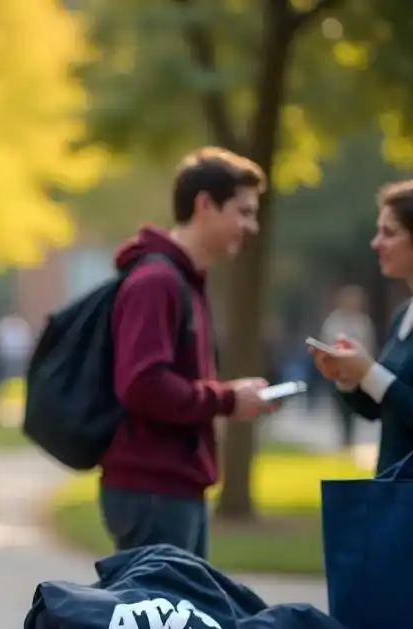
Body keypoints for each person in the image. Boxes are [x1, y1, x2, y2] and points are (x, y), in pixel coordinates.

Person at [99, 147, 279, 559]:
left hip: (173, 486)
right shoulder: (157, 282)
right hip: (154, 488)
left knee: (182, 619)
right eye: (243, 211)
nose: (251, 226)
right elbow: (143, 384)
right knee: (161, 620)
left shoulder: (183, 280)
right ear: (204, 205)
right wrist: (228, 398)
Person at [312, 181, 413, 474]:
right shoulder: (403, 314)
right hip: (393, 494)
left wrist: (369, 372)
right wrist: (348, 378)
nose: (376, 243)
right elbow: (380, 410)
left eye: (389, 233)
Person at [320, 284, 378, 448]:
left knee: (355, 407)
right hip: (337, 371)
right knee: (341, 405)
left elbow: (369, 346)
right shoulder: (334, 321)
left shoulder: (363, 322)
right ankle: (344, 438)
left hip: (357, 372)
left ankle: (349, 438)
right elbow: (327, 342)